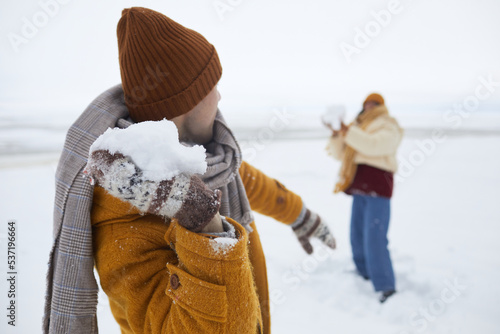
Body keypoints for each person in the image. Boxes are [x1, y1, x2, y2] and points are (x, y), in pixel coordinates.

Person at [43, 7, 336, 334]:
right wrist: (204, 224)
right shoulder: (122, 220)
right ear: (186, 102)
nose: (220, 95)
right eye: (212, 85)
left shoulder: (212, 163)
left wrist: (301, 216)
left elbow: (252, 183)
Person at [324, 93, 403, 303]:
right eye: (367, 103)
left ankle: (385, 286)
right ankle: (364, 272)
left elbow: (374, 146)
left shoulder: (389, 125)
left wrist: (347, 130)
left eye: (374, 103)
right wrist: (336, 133)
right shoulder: (357, 126)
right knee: (357, 235)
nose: (369, 106)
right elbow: (341, 154)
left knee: (375, 238)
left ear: (381, 106)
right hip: (360, 187)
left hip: (378, 188)